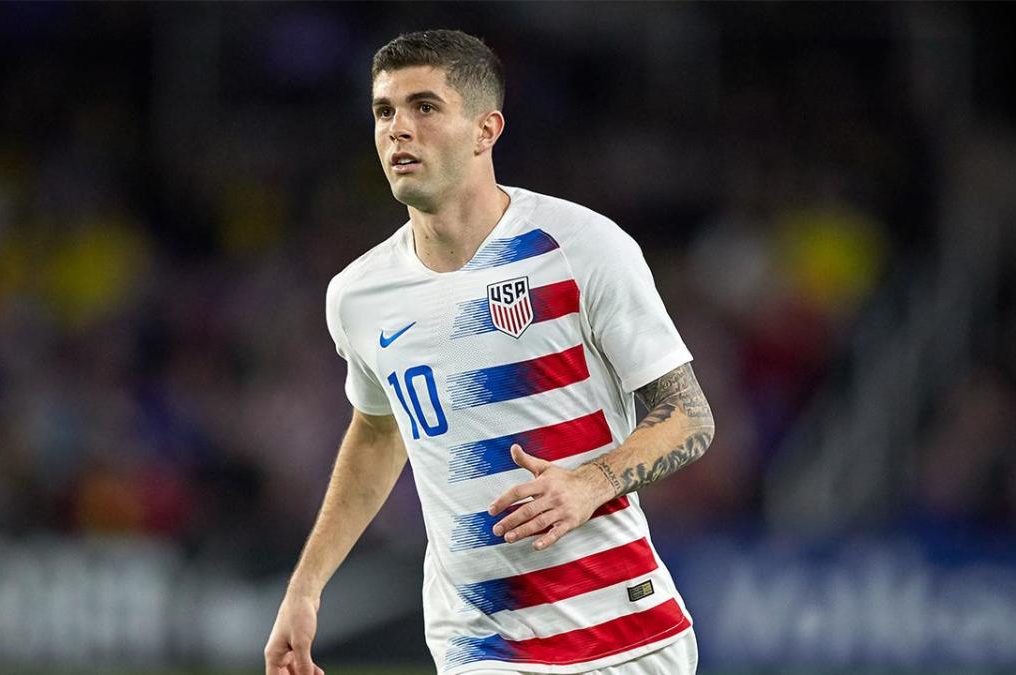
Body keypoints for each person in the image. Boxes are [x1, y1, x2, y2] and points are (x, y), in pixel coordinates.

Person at [264, 29, 714, 675]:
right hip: (479, 642)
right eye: (384, 111)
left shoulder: (580, 246)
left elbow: (689, 416)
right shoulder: (358, 295)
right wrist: (305, 588)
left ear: (485, 129)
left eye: (424, 107)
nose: (398, 129)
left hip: (626, 633)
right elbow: (377, 430)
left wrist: (590, 483)